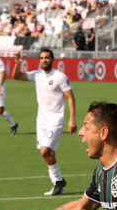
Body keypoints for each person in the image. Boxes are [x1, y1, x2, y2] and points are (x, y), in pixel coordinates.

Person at [11, 48, 77, 195]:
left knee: (45, 151)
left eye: (47, 58)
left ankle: (58, 181)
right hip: (41, 121)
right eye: (41, 58)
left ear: (53, 60)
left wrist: (72, 119)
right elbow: (16, 76)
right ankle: (58, 183)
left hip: (56, 120)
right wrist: (17, 63)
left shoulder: (60, 77)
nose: (44, 60)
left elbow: (70, 98)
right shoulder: (37, 75)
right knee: (48, 154)